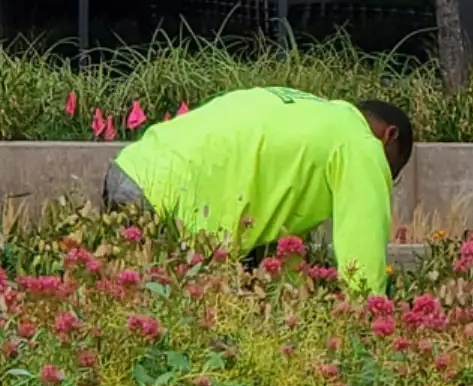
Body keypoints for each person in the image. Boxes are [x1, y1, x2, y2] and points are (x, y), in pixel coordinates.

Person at [103, 87, 413, 293]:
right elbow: (362, 249)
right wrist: (370, 322)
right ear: (389, 137)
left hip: (130, 169)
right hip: (165, 200)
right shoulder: (361, 145)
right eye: (392, 171)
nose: (385, 178)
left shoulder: (314, 115)